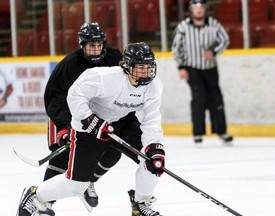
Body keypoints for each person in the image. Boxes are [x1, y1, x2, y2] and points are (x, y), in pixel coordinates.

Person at [17, 42, 165, 216]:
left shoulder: (154, 86)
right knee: (76, 185)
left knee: (153, 162)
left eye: (149, 67)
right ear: (127, 67)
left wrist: (154, 145)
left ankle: (140, 204)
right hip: (88, 127)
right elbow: (75, 94)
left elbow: (152, 119)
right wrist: (90, 120)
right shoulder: (105, 78)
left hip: (122, 122)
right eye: (141, 68)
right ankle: (36, 195)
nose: (146, 72)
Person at [16, 22, 123, 216]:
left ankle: (88, 181)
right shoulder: (69, 65)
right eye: (91, 45)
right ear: (82, 45)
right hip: (66, 115)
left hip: (97, 116)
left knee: (113, 152)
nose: (96, 49)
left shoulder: (115, 57)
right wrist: (65, 127)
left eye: (99, 44)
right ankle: (41, 204)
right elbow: (54, 99)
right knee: (62, 158)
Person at [171, 0, 233, 144]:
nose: (198, 10)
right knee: (199, 98)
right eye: (195, 7)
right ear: (191, 10)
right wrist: (181, 67)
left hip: (211, 68)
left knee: (216, 98)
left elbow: (225, 40)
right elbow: (176, 47)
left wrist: (214, 51)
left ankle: (221, 131)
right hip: (192, 69)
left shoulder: (213, 23)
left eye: (201, 7)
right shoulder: (183, 26)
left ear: (205, 9)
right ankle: (198, 133)